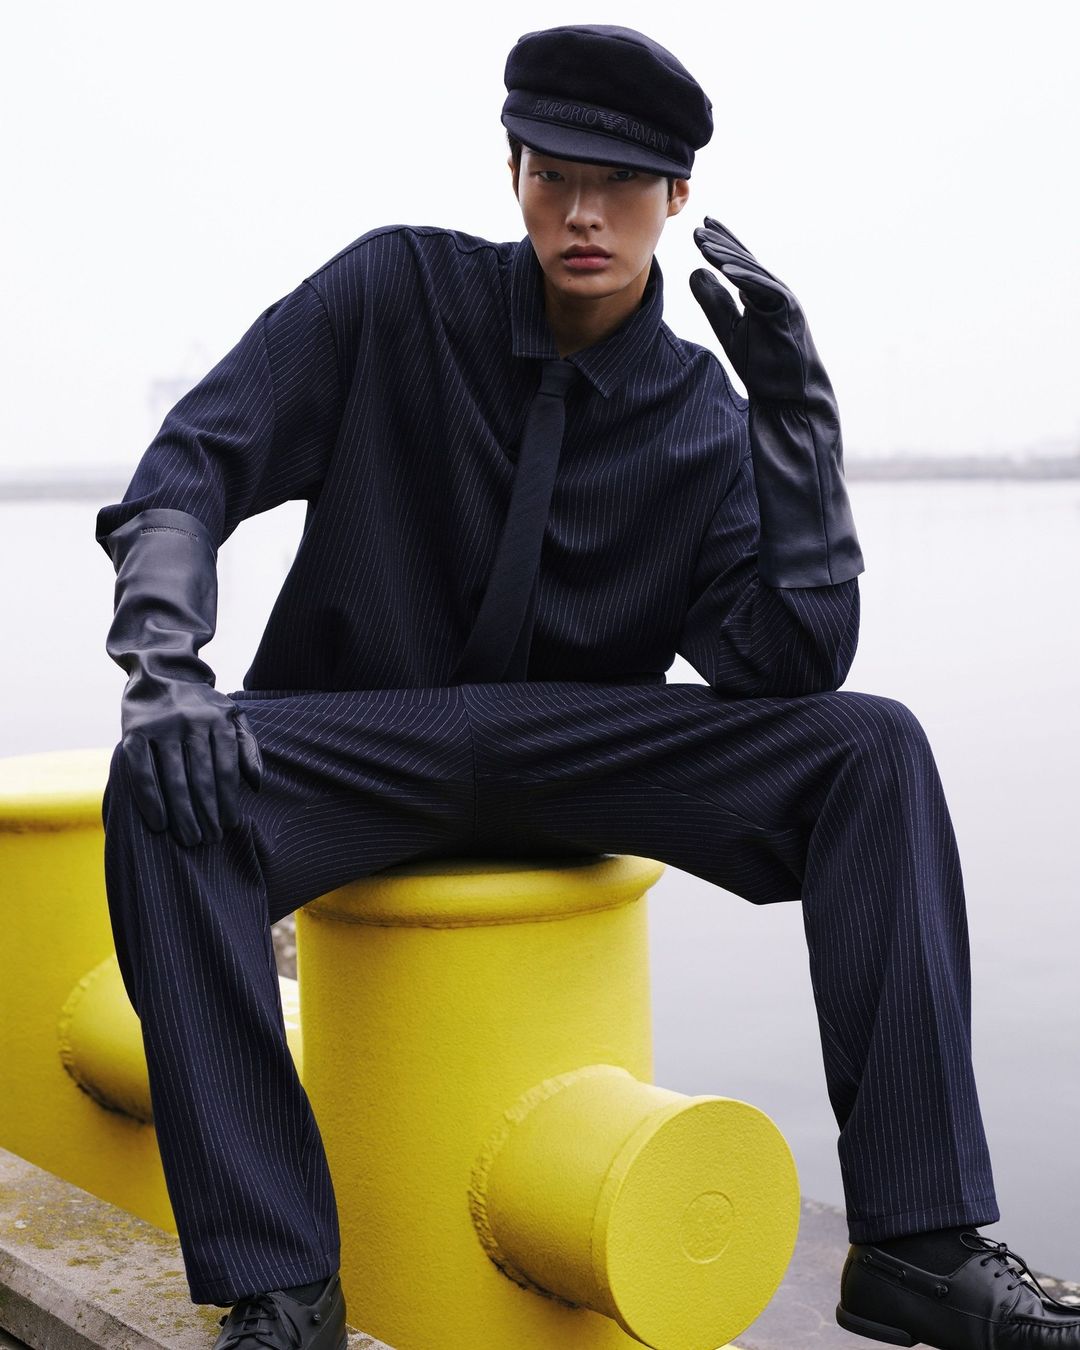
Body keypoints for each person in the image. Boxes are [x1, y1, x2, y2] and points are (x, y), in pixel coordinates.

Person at [94, 22, 1079, 1350]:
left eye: (618, 184)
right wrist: (164, 666)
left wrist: (794, 420)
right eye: (553, 174)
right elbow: (190, 466)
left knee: (872, 746)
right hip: (361, 746)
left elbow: (787, 662)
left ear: (677, 195)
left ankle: (920, 1245)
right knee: (161, 781)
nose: (581, 214)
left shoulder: (703, 415)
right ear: (511, 170)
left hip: (579, 762)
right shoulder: (393, 291)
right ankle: (282, 1289)